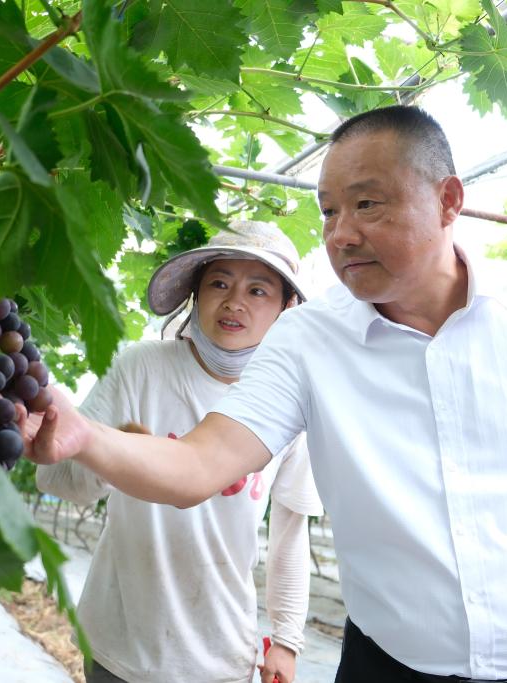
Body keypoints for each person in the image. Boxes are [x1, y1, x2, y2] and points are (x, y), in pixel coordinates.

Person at [24, 106, 507, 682]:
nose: (341, 233)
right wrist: (86, 435)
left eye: (367, 204)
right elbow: (198, 465)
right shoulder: (307, 340)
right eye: (328, 210)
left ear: (448, 200)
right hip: (391, 667)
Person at [36, 221, 323, 683]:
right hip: (120, 645)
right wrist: (113, 452)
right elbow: (59, 484)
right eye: (219, 283)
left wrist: (287, 640)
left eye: (258, 290)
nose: (234, 302)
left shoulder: (289, 406)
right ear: (195, 292)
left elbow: (290, 532)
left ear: (285, 309)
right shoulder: (139, 368)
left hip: (221, 655)